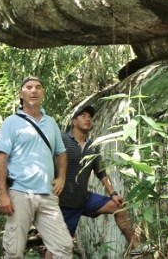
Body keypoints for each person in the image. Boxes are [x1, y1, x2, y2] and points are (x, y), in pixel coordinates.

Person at [45, 105, 143, 258]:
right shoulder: (62, 140)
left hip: (84, 198)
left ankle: (137, 248)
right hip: (64, 203)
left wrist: (113, 193)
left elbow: (101, 173)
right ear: (73, 122)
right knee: (56, 246)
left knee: (119, 208)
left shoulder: (93, 147)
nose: (88, 118)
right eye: (83, 116)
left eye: (89, 116)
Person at [0, 76, 73, 259]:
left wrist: (61, 177)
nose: (34, 90)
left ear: (43, 93)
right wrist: (2, 193)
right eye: (28, 87)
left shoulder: (51, 122)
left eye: (38, 87)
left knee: (64, 248)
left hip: (47, 194)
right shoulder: (11, 122)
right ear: (21, 93)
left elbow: (61, 153)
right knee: (14, 251)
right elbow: (0, 157)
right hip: (20, 193)